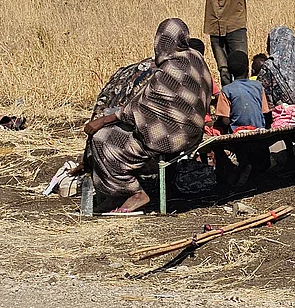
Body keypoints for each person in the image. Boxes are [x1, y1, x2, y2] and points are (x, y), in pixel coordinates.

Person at [81, 19, 213, 213]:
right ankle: (116, 197)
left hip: (172, 138)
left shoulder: (169, 70)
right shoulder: (196, 58)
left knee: (102, 140)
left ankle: (132, 192)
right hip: (194, 133)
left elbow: (141, 108)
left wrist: (104, 119)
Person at [215, 51, 270, 133]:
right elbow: (265, 112)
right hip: (259, 131)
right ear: (248, 69)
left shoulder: (226, 90)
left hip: (237, 133)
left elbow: (225, 120)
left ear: (229, 71)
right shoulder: (258, 86)